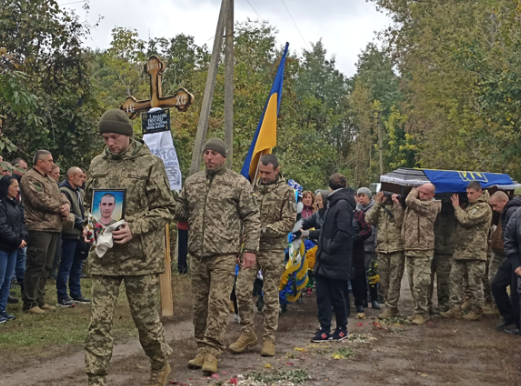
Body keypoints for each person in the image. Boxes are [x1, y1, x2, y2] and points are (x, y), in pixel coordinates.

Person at [83, 109, 175, 386]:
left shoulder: (150, 164)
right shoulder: (97, 164)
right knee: (98, 323)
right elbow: (92, 206)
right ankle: (95, 377)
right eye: (105, 137)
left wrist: (135, 226)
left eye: (114, 137)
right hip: (104, 256)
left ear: (127, 134)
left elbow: (166, 209)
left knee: (146, 322)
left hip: (140, 258)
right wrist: (90, 226)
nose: (109, 143)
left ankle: (160, 363)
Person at [175, 138, 260, 375]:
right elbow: (181, 211)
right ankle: (201, 347)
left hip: (224, 253)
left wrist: (250, 249)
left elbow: (252, 217)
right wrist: (166, 197)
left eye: (214, 153)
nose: (209, 157)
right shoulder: (193, 182)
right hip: (198, 254)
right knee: (200, 304)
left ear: (223, 157)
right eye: (206, 153)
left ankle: (213, 350)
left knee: (218, 302)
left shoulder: (238, 183)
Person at [230, 154, 296, 357]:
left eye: (268, 172)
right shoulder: (252, 190)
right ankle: (247, 332)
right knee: (241, 290)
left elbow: (289, 221)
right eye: (261, 172)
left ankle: (269, 338)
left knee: (270, 295)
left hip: (273, 250)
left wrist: (264, 229)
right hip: (250, 249)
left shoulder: (286, 192)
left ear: (277, 170)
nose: (264, 176)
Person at [19, 150, 71, 314]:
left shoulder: (49, 179)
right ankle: (30, 302)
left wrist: (66, 205)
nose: (52, 163)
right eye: (49, 160)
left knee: (47, 265)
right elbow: (39, 199)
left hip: (54, 226)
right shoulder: (30, 178)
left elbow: (60, 195)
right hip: (38, 226)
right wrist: (60, 208)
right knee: (36, 264)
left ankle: (40, 299)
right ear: (39, 162)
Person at [310, 173, 356, 342]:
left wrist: (329, 248)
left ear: (330, 187)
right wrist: (309, 234)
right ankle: (324, 329)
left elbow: (344, 232)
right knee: (322, 296)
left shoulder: (342, 204)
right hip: (324, 260)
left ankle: (342, 328)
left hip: (336, 259)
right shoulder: (333, 203)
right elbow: (327, 230)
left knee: (337, 296)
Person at [441, 181, 493, 321]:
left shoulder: (483, 207)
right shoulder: (470, 207)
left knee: (474, 283)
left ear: (479, 192)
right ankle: (455, 308)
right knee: (454, 279)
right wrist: (461, 208)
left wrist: (457, 207)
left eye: (472, 193)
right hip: (461, 251)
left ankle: (477, 310)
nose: (469, 196)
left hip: (475, 252)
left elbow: (467, 220)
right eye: (467, 193)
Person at [402, 184, 440, 325]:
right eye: (420, 193)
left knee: (420, 283)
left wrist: (415, 189)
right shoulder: (413, 207)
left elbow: (410, 200)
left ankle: (423, 313)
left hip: (423, 249)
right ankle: (418, 310)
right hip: (411, 247)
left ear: (431, 194)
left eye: (424, 193)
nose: (421, 195)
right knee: (412, 283)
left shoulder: (432, 206)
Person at [366, 191, 405, 319]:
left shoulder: (400, 205)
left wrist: (397, 203)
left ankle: (391, 307)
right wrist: (378, 203)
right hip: (382, 248)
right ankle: (390, 306)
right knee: (384, 280)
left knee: (394, 280)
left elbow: (401, 222)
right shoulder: (380, 206)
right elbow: (369, 219)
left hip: (396, 248)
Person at [56, 167, 90, 307]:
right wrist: (82, 223)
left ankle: (76, 293)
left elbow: (85, 209)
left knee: (78, 264)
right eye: (80, 176)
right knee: (66, 265)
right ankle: (62, 295)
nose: (83, 179)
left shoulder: (80, 192)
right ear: (71, 177)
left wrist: (87, 223)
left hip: (81, 234)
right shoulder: (64, 191)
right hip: (70, 234)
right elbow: (67, 214)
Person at [490, 190, 521, 332]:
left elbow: (512, 237)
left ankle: (516, 321)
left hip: (515, 258)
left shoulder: (513, 212)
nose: (494, 209)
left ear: (504, 201)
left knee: (515, 292)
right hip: (512, 257)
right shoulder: (508, 212)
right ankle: (510, 317)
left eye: (496, 205)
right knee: (497, 285)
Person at [0, 176, 27, 323]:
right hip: (3, 247)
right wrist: (16, 239)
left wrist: (23, 236)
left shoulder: (15, 203)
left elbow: (21, 222)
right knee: (0, 279)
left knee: (7, 281)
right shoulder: (1, 204)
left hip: (13, 248)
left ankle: (2, 309)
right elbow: (2, 226)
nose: (17, 189)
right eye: (15, 186)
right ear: (6, 187)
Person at [429, 202, 457, 314]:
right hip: (430, 247)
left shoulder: (455, 208)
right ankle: (427, 305)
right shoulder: (429, 205)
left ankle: (444, 305)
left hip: (446, 249)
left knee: (444, 280)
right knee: (427, 281)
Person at [356, 187, 379, 310]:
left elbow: (377, 228)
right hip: (360, 247)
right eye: (359, 196)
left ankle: (374, 298)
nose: (361, 198)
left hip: (371, 246)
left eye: (363, 196)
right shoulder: (356, 209)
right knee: (360, 274)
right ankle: (363, 298)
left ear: (369, 197)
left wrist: (376, 244)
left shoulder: (375, 208)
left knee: (372, 274)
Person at [9, 158, 27, 304]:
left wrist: (22, 233)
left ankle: (18, 288)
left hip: (19, 232)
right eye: (23, 168)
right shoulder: (7, 187)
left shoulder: (20, 185)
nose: (25, 171)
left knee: (20, 260)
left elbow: (20, 211)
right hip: (9, 234)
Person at [352, 201, 373, 313]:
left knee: (358, 278)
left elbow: (368, 229)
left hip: (356, 251)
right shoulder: (338, 213)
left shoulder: (359, 215)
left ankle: (360, 302)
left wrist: (357, 237)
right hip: (341, 252)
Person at [48, 163, 63, 281]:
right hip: (47, 224)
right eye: (55, 173)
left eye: (59, 173)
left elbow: (64, 199)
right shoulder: (45, 185)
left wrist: (66, 205)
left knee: (57, 251)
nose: (58, 175)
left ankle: (52, 271)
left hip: (58, 224)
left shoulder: (58, 186)